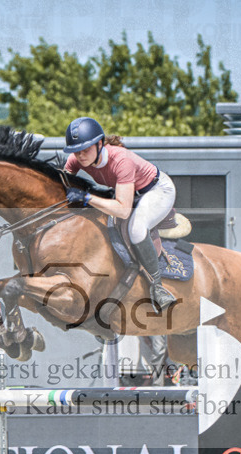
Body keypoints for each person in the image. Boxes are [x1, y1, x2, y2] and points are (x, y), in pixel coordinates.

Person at [62, 116, 177, 312]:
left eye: (85, 149)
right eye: (76, 151)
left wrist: (87, 197)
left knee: (136, 229)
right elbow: (62, 183)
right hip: (129, 193)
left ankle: (158, 287)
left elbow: (123, 210)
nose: (80, 155)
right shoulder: (76, 159)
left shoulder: (121, 160)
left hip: (157, 191)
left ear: (99, 144)